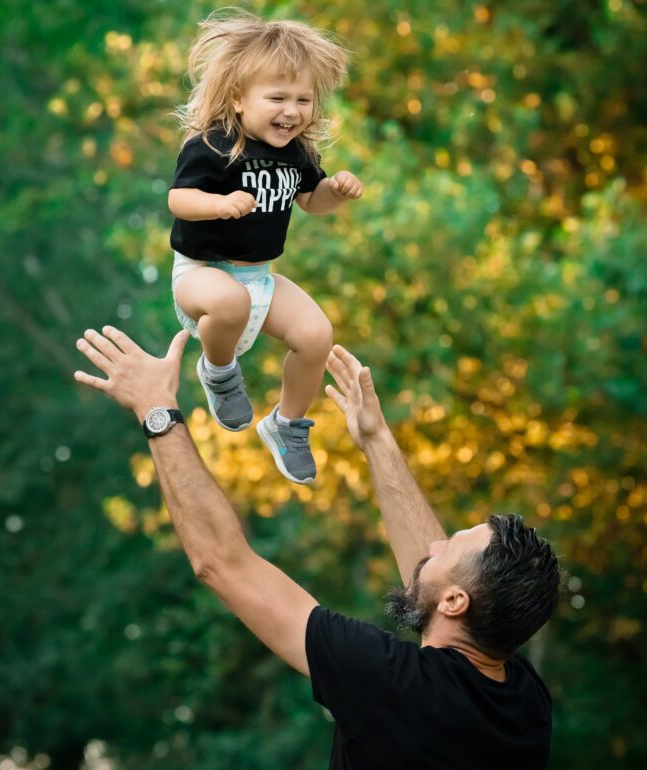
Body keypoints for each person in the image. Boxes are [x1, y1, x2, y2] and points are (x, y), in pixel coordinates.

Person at [74, 326, 561, 770]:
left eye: (448, 546)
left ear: (457, 603)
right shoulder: (521, 701)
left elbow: (223, 564)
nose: (433, 542)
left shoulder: (387, 681)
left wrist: (156, 409)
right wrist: (376, 439)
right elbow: (431, 578)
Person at [168, 9, 364, 485]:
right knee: (230, 302)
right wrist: (218, 205)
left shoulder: (297, 153)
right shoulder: (213, 145)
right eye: (277, 97)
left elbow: (311, 202)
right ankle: (219, 371)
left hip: (261, 277)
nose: (292, 111)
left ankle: (287, 425)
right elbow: (178, 198)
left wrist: (333, 193)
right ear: (238, 99)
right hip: (201, 274)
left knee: (317, 334)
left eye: (304, 99)